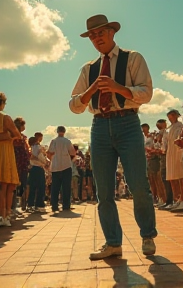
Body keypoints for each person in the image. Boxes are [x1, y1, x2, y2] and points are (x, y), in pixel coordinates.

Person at [69, 14, 157, 260]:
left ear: (112, 32)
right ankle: (113, 243)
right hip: (99, 126)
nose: (97, 38)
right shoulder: (88, 69)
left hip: (128, 122)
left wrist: (118, 88)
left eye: (100, 33)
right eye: (92, 35)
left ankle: (147, 234)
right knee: (104, 191)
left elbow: (146, 92)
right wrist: (91, 90)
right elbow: (74, 105)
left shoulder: (133, 58)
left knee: (138, 184)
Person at [0, 92, 21, 227]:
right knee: (6, 185)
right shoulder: (5, 117)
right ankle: (4, 215)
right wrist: (6, 136)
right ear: (0, 104)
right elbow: (16, 134)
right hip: (5, 152)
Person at [165, 109, 183, 212]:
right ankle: (177, 199)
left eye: (171, 116)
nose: (170, 119)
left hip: (178, 152)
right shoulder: (169, 128)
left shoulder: (180, 126)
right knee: (172, 177)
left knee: (181, 177)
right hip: (170, 153)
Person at [47, 126, 76, 212]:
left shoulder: (53, 141)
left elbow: (49, 152)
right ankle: (66, 205)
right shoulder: (67, 141)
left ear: (57, 131)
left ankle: (54, 205)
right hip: (66, 166)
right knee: (66, 187)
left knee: (55, 187)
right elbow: (73, 152)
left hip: (55, 166)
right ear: (64, 131)